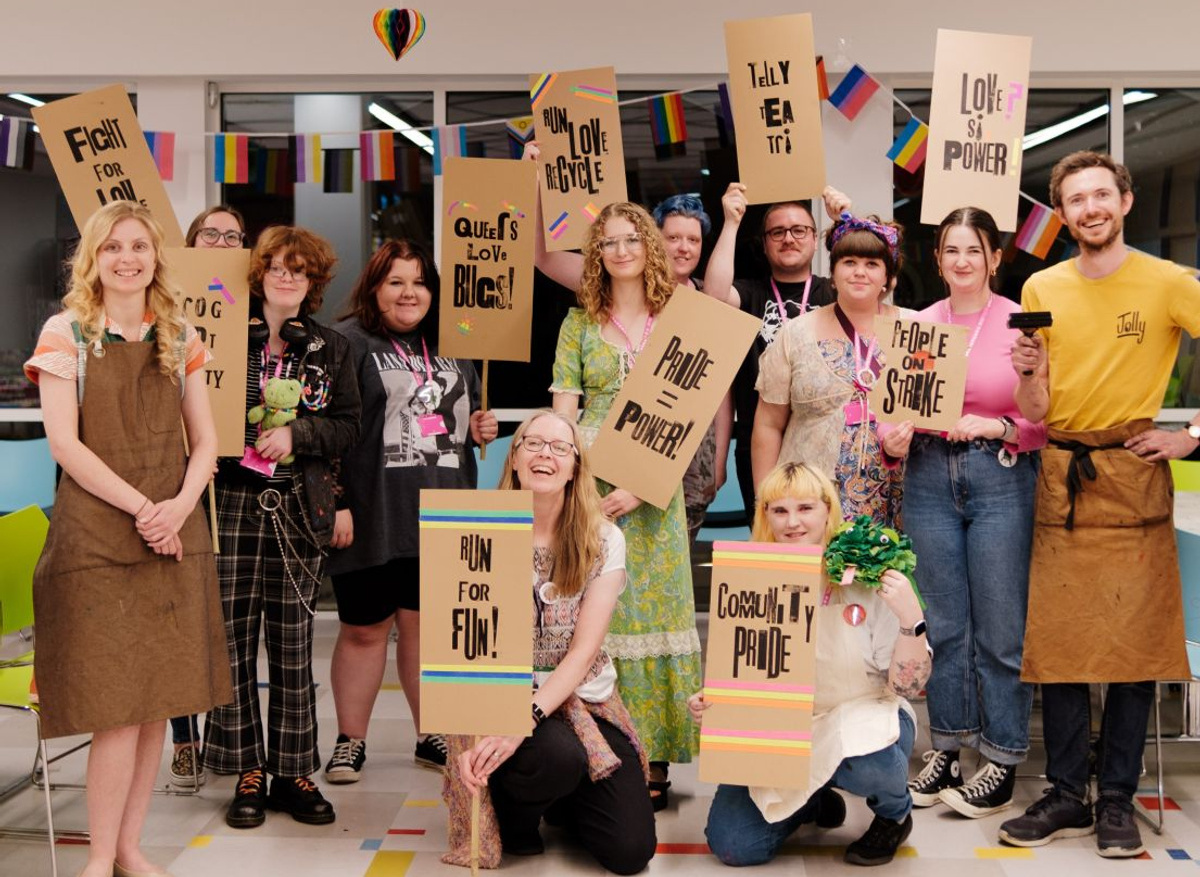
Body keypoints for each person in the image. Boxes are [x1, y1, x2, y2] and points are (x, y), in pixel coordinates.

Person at [24, 200, 231, 877]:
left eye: (138, 245)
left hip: (173, 531)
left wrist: (178, 509)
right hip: (98, 540)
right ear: (93, 257)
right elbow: (65, 443)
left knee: (154, 704)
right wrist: (148, 509)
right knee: (115, 706)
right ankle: (101, 856)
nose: (127, 258)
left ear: (154, 256)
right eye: (112, 247)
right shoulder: (66, 332)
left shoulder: (180, 332)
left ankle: (131, 847)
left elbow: (206, 443)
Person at [1004, 151, 1200, 857]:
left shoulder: (1169, 281)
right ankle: (1065, 792)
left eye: (1099, 195)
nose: (1088, 209)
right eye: (1074, 200)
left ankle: (1116, 795)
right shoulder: (1042, 283)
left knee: (1131, 649)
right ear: (1062, 214)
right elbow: (1034, 408)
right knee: (1057, 646)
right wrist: (1029, 374)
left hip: (1133, 472)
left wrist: (1192, 436)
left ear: (1124, 199)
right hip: (1060, 472)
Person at [876, 208, 1046, 818]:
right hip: (927, 474)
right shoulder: (919, 326)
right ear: (937, 259)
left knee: (1000, 628)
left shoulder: (1018, 327)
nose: (962, 261)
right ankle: (946, 748)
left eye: (974, 250)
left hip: (1000, 475)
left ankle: (1000, 757)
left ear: (995, 257)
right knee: (943, 625)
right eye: (951, 250)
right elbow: (892, 412)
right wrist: (892, 436)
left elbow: (1044, 418)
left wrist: (1002, 424)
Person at [443, 411, 656, 874]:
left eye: (560, 447)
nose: (545, 455)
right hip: (501, 696)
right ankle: (518, 822)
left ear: (576, 465)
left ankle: (563, 798)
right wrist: (476, 724)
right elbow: (458, 644)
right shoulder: (476, 527)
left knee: (631, 851)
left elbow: (582, 653)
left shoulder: (603, 538)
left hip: (583, 699)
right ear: (513, 458)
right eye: (532, 444)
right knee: (556, 758)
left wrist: (527, 718)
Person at [691, 462, 929, 867]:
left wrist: (911, 620)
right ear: (764, 515)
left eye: (805, 508)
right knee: (734, 846)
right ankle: (813, 802)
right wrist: (713, 701)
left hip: (859, 717)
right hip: (778, 730)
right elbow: (741, 669)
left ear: (827, 510)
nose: (792, 522)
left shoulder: (867, 576)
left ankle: (893, 814)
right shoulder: (750, 579)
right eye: (779, 510)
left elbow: (908, 688)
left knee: (871, 762)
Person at [203, 226, 361, 830]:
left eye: (300, 268)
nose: (287, 276)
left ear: (314, 281)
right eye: (276, 265)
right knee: (232, 641)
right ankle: (245, 767)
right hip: (229, 504)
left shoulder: (331, 347)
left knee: (294, 644)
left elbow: (348, 425)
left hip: (297, 506)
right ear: (259, 272)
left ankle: (293, 770)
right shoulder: (222, 338)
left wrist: (298, 435)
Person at [547, 200, 702, 809]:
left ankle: (654, 757)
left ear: (649, 248)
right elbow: (564, 407)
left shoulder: (680, 320)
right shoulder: (578, 322)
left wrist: (646, 482)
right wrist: (568, 485)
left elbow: (689, 414)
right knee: (596, 619)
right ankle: (600, 744)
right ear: (597, 254)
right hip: (586, 484)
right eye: (606, 242)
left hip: (656, 489)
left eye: (630, 240)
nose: (619, 251)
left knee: (653, 618)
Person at [324, 239, 497, 780]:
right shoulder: (347, 343)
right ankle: (350, 740)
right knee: (363, 630)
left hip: (443, 514)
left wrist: (478, 429)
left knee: (425, 630)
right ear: (374, 287)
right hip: (372, 512)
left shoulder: (454, 344)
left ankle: (431, 737)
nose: (409, 293)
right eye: (395, 281)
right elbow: (328, 431)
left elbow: (451, 420)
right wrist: (337, 503)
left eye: (419, 282)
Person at [702, 182, 851, 522]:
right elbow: (712, 295)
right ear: (765, 246)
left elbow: (868, 272)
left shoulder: (835, 292)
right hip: (759, 441)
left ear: (816, 240)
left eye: (799, 230)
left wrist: (844, 223)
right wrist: (731, 222)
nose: (789, 238)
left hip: (824, 443)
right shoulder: (749, 293)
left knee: (834, 543)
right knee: (774, 543)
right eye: (777, 232)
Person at [752, 214, 908, 526]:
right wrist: (767, 505)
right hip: (811, 505)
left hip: (903, 502)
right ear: (833, 275)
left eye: (872, 264)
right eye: (849, 262)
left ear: (888, 278)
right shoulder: (794, 334)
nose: (860, 272)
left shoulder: (918, 329)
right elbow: (768, 425)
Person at [167, 203, 249, 791]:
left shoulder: (249, 315)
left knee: (219, 621)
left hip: (233, 485)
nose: (221, 241)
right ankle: (183, 739)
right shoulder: (165, 312)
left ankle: (225, 735)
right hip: (173, 480)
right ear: (191, 240)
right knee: (176, 615)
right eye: (210, 233)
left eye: (233, 236)